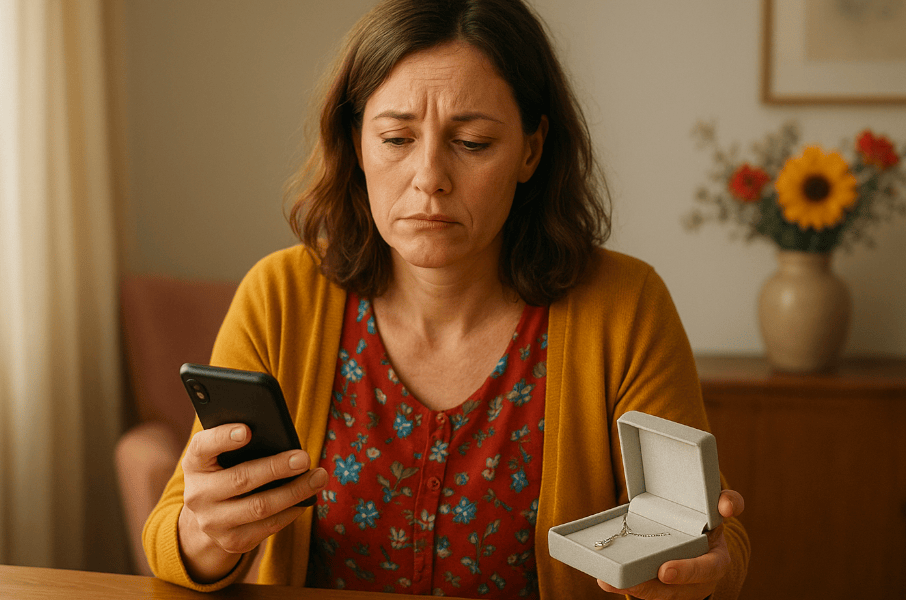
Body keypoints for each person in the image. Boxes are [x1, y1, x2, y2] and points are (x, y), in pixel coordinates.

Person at [144, 0, 750, 598]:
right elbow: (172, 540)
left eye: (474, 143)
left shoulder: (624, 307)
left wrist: (694, 573)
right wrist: (205, 530)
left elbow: (714, 544)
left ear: (531, 151)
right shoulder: (280, 297)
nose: (429, 176)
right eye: (396, 138)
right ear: (357, 144)